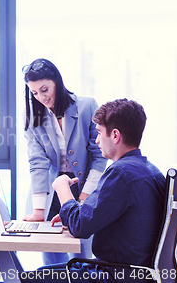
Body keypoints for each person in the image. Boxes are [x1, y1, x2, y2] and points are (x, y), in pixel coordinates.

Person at [20, 98, 166, 283]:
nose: (96, 140)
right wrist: (69, 215)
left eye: (98, 133)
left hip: (115, 275)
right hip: (134, 272)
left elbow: (80, 226)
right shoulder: (150, 170)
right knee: (41, 272)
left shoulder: (120, 174)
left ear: (115, 135)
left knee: (28, 279)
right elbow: (97, 216)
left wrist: (62, 187)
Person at [22, 58, 107, 265]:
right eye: (34, 93)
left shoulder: (87, 106)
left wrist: (85, 197)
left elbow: (98, 156)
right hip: (51, 192)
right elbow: (38, 163)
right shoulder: (34, 116)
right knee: (51, 261)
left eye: (44, 89)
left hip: (83, 186)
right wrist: (38, 211)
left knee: (81, 257)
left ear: (57, 83)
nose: (40, 97)